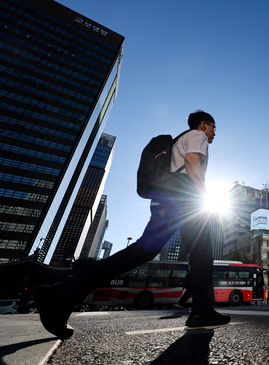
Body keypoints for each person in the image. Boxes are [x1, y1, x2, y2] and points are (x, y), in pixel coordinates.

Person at [33, 111, 230, 339]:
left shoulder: (179, 140)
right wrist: (204, 196)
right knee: (202, 251)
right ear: (204, 125)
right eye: (213, 127)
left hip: (166, 200)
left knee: (142, 251)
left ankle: (62, 295)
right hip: (184, 199)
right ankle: (202, 311)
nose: (214, 132)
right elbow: (192, 160)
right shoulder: (198, 136)